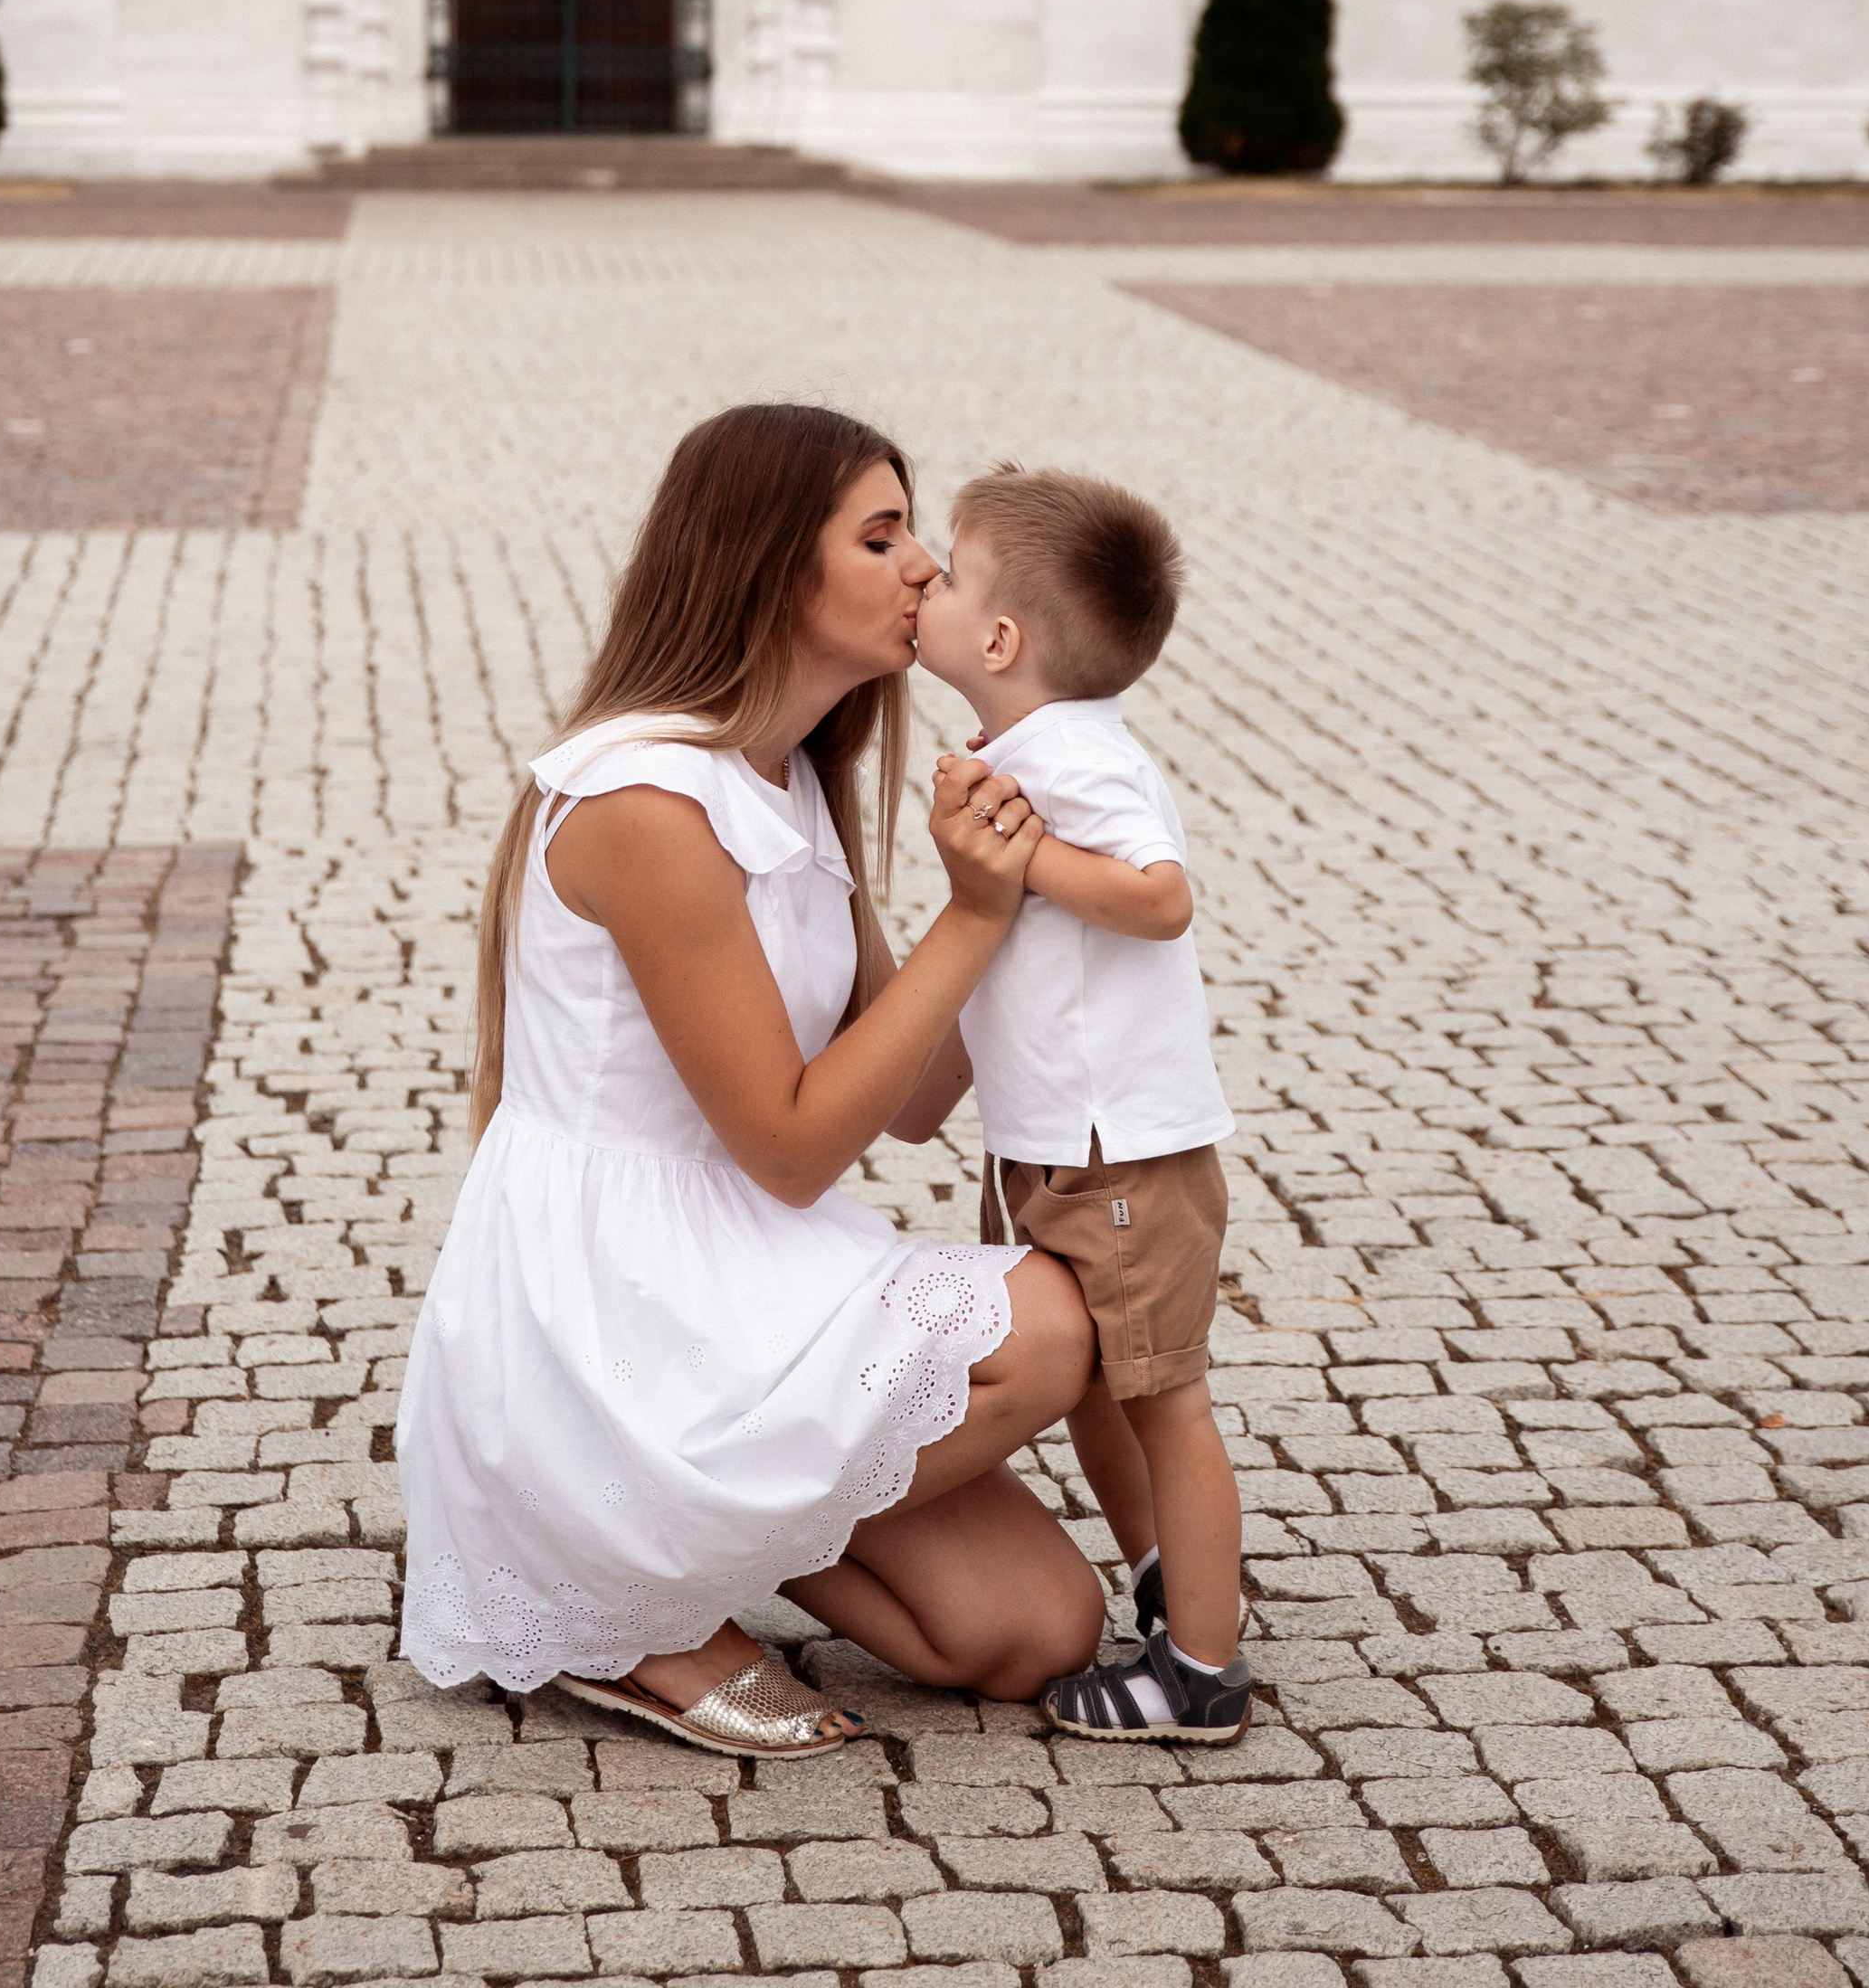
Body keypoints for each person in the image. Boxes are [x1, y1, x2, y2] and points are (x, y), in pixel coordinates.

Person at [397, 403, 1106, 1756]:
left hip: (742, 1267)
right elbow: (792, 1145)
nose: (927, 574)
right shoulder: (648, 804)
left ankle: (700, 1535)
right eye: (882, 536)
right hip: (616, 1306)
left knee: (1024, 1633)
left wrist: (1025, 906)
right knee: (1050, 1327)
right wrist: (967, 920)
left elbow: (909, 1099)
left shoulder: (788, 780)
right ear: (770, 562)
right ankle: (617, 1596)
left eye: (918, 536)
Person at [901, 461, 1250, 1744]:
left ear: (998, 640)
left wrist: (1023, 855)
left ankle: (1201, 1670)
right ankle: (1171, 1575)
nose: (921, 581)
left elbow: (1160, 897)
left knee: (1166, 1401)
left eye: (942, 565)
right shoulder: (1021, 749)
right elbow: (1003, 961)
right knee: (1101, 1392)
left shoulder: (1071, 756)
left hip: (1122, 1158)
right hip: (1054, 1147)